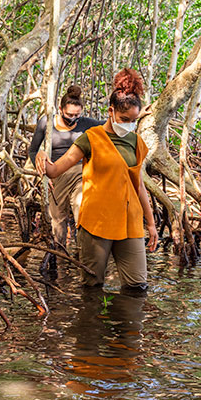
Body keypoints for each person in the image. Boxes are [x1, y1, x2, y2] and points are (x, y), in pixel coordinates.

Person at [36, 69, 159, 292]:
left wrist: (150, 223)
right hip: (96, 223)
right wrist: (41, 155)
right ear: (111, 111)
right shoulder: (90, 138)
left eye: (133, 120)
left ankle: (127, 327)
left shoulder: (136, 141)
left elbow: (138, 184)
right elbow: (54, 171)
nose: (129, 125)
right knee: (92, 287)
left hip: (130, 223)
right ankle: (92, 327)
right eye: (124, 119)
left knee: (137, 287)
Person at [28, 85, 103, 247]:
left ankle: (84, 252)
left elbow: (112, 123)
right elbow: (33, 151)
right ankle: (60, 256)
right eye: (69, 114)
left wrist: (137, 115)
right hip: (56, 176)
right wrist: (43, 174)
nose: (73, 118)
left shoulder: (87, 123)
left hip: (80, 174)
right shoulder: (46, 123)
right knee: (58, 220)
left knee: (81, 209)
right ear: (61, 109)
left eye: (77, 115)